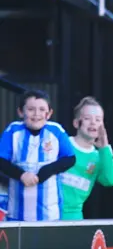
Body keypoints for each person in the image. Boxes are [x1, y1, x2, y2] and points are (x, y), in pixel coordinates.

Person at [0, 90, 75, 221]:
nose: (36, 114)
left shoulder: (56, 131)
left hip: (50, 214)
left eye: (42, 109)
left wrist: (47, 170)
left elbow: (70, 158)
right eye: (30, 109)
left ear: (49, 113)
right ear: (20, 112)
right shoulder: (12, 131)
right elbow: (1, 161)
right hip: (17, 213)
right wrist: (21, 175)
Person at [60, 97, 113, 220]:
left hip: (74, 217)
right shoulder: (62, 143)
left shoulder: (101, 156)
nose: (93, 123)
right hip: (49, 213)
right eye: (87, 118)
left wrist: (105, 148)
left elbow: (110, 180)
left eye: (98, 120)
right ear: (76, 123)